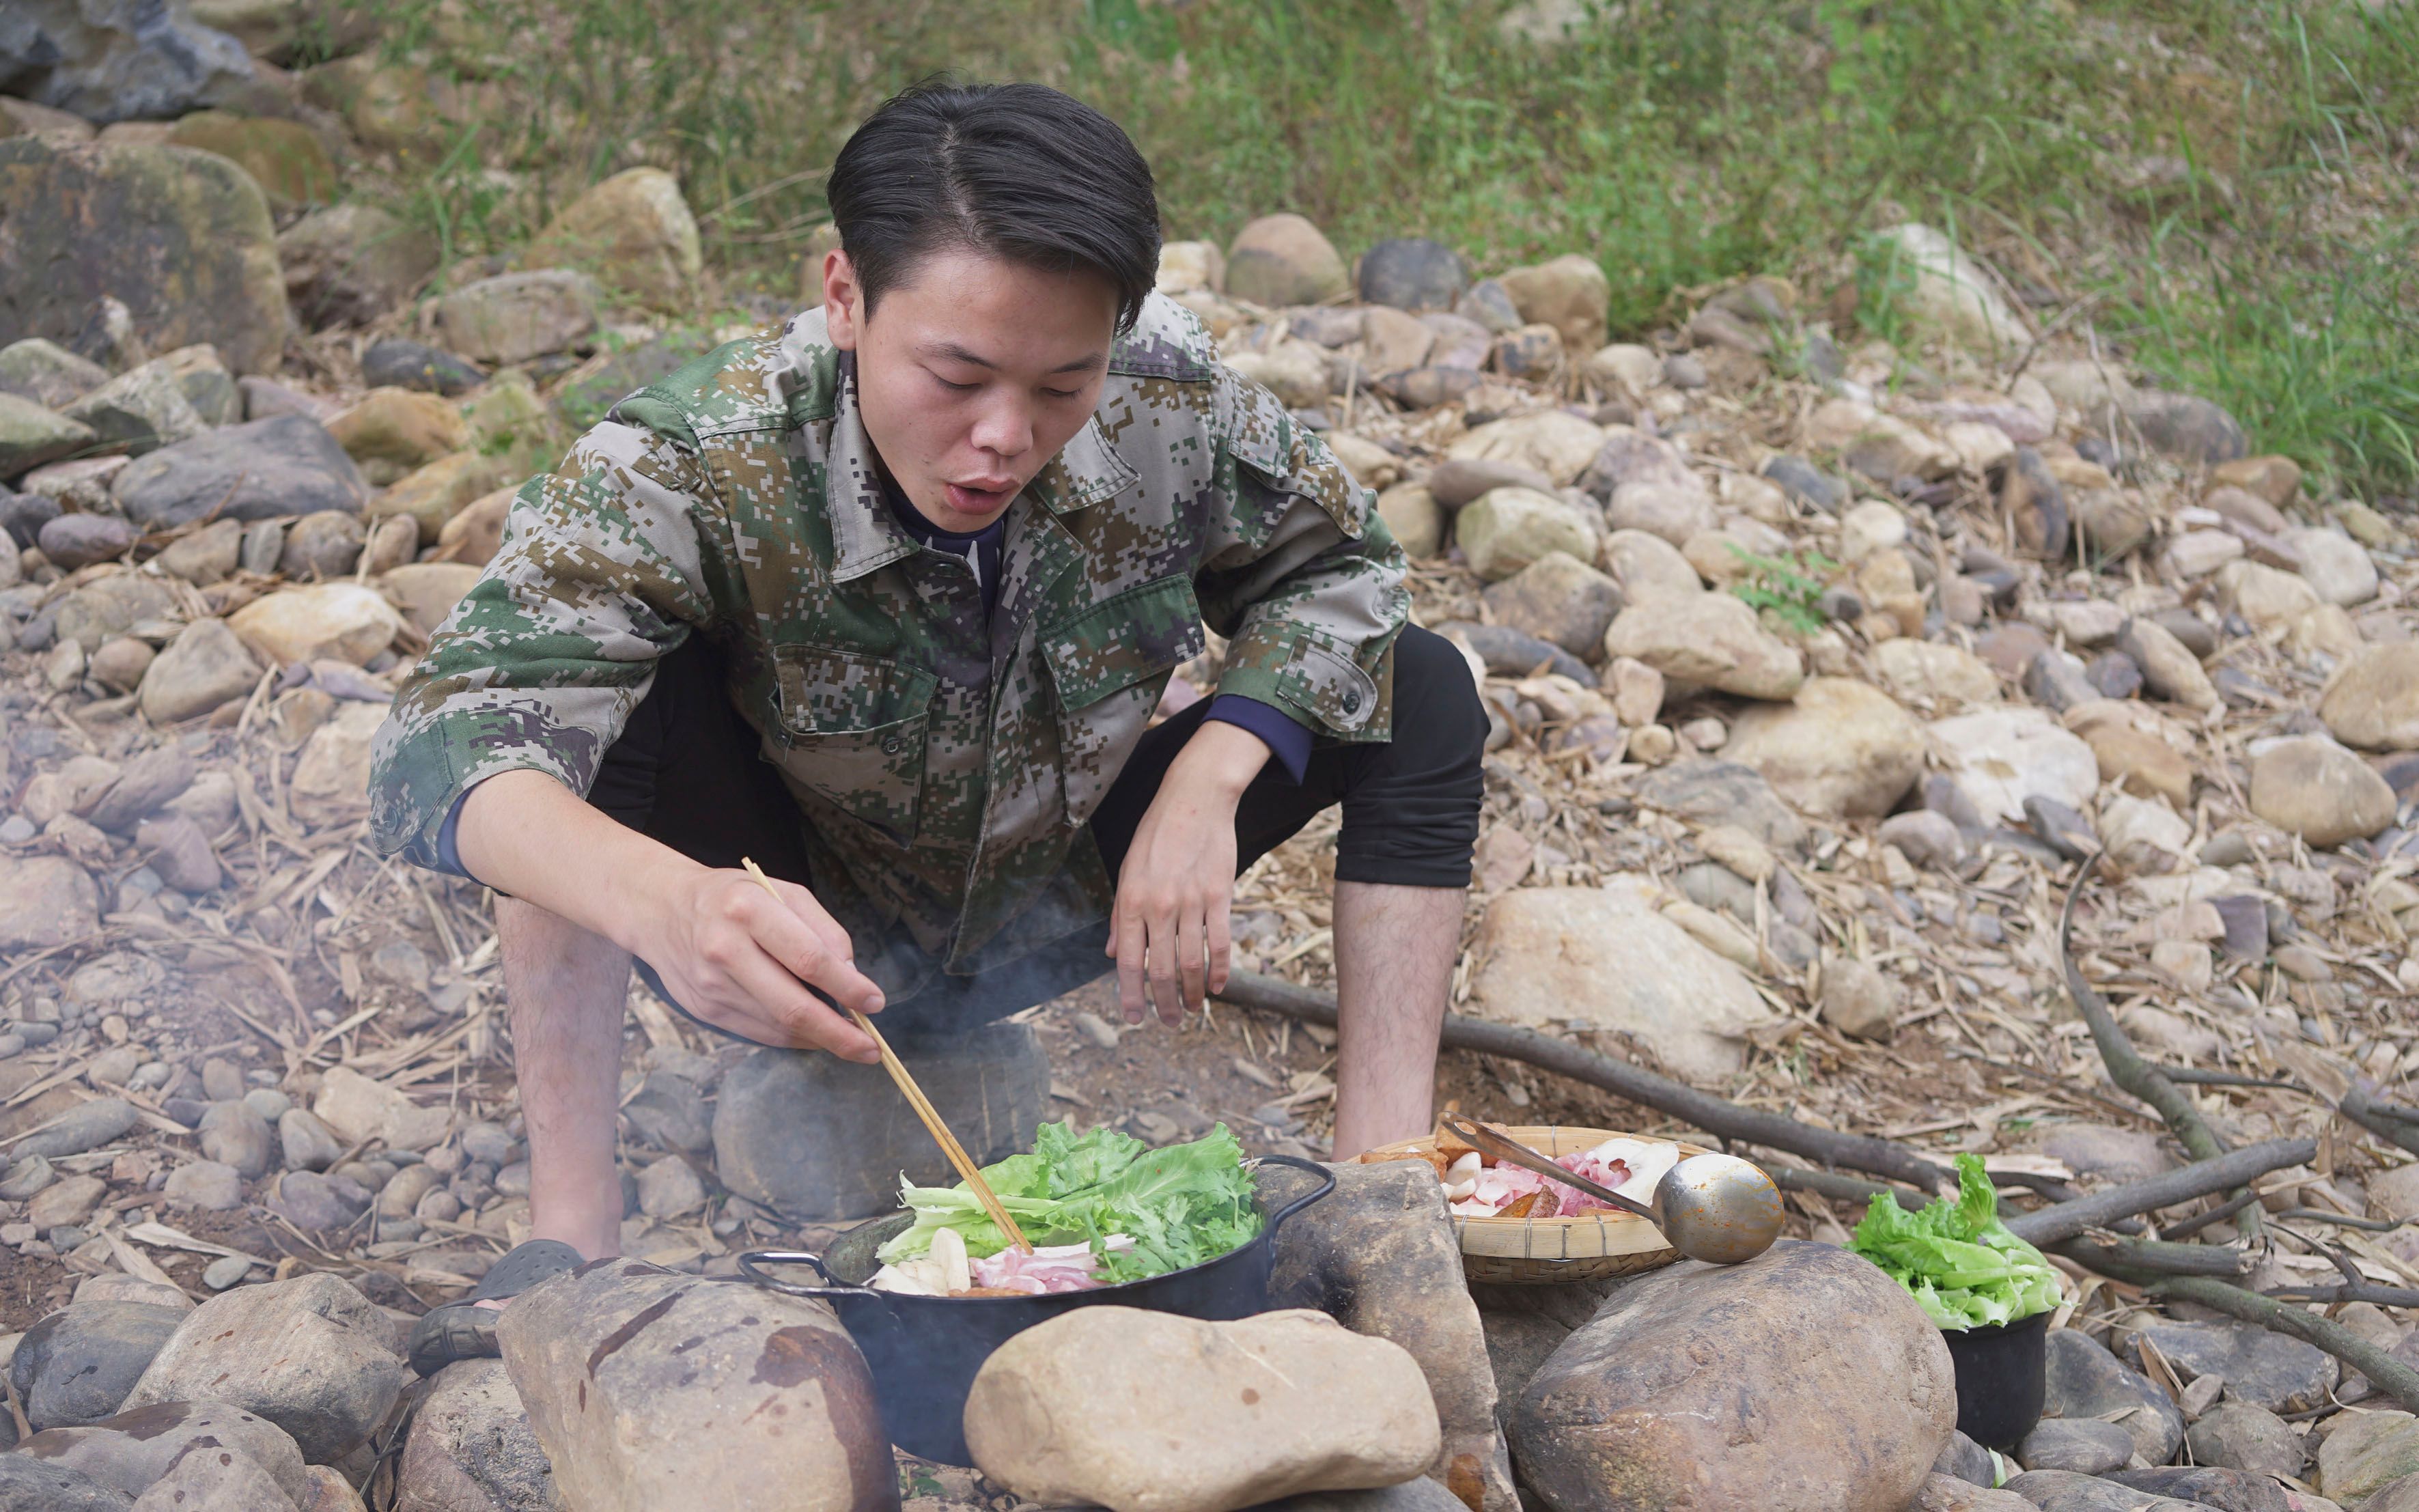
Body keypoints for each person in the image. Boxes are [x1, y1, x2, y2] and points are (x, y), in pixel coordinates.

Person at [370, 78, 1486, 1370]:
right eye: (954, 376)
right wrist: (668, 903)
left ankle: (1378, 1197)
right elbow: (442, 740)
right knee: (587, 726)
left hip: (1056, 895)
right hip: (797, 937)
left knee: (1424, 685)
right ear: (844, 295)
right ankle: (573, 1236)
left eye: (1063, 382)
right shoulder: (690, 461)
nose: (1003, 439)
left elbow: (1348, 569)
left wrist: (1213, 776)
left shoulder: (1166, 400)